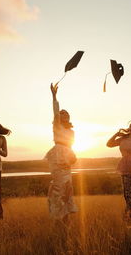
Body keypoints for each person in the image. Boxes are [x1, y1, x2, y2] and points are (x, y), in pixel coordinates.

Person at [45, 83, 78, 223]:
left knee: (67, 186)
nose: (63, 114)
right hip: (57, 155)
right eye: (61, 113)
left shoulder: (71, 131)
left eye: (66, 113)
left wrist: (72, 156)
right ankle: (59, 215)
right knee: (58, 186)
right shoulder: (56, 126)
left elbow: (71, 145)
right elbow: (55, 110)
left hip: (67, 157)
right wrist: (54, 96)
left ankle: (66, 217)